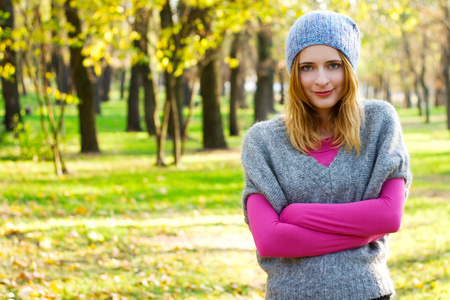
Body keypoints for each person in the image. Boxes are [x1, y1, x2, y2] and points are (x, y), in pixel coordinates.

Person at [241, 10, 412, 300]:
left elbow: (389, 216)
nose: (321, 80)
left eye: (333, 65)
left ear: (350, 68)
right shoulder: (262, 142)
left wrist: (297, 214)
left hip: (369, 292)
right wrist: (362, 231)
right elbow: (270, 239)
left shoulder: (380, 122)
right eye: (307, 67)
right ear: (294, 72)